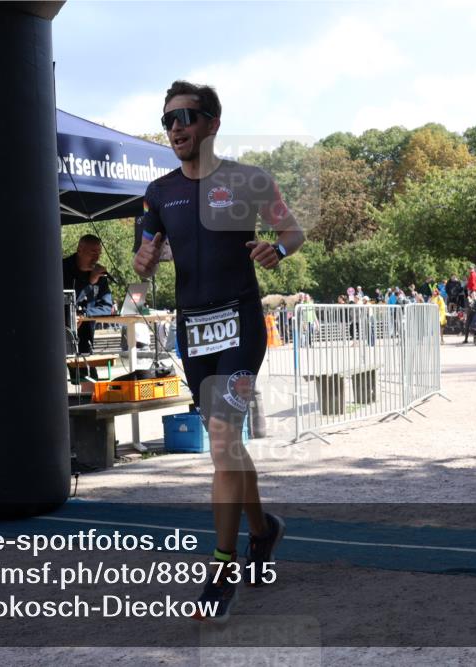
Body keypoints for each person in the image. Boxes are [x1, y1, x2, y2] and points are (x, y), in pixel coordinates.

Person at [133, 80, 304, 622]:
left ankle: (223, 566)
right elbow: (144, 251)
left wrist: (275, 248)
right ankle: (262, 528)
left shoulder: (248, 180)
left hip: (240, 321)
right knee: (228, 446)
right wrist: (143, 261)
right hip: (195, 330)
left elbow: (292, 231)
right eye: (168, 121)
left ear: (212, 123)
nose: (176, 128)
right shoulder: (159, 193)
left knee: (224, 441)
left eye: (186, 117)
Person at [63, 235, 114, 364]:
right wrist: (90, 283)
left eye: (99, 253)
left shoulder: (100, 275)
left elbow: (107, 308)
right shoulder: (62, 269)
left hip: (85, 333)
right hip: (61, 331)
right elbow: (65, 301)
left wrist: (85, 315)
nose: (96, 257)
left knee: (87, 375)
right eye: (93, 252)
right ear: (80, 250)